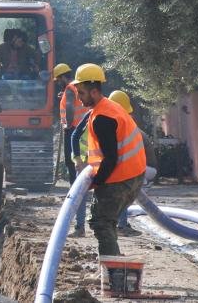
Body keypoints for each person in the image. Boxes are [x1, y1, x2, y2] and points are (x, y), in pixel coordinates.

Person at [72, 63, 146, 256]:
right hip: (133, 175)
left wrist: (96, 182)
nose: (79, 98)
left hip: (120, 178)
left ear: (95, 92)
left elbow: (111, 158)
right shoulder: (107, 108)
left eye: (81, 93)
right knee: (107, 220)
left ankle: (112, 270)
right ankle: (114, 265)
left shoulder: (103, 118)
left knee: (101, 221)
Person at [108, 90, 157, 237]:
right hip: (143, 167)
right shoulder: (126, 126)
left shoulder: (125, 129)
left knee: (122, 191)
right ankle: (121, 224)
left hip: (147, 169)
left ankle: (121, 226)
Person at [55, 63, 88, 184]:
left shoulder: (69, 89)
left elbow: (69, 106)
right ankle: (81, 185)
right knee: (80, 158)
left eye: (58, 80)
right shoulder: (76, 86)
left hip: (73, 128)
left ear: (63, 77)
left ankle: (74, 186)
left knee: (71, 160)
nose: (59, 83)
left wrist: (68, 125)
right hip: (83, 128)